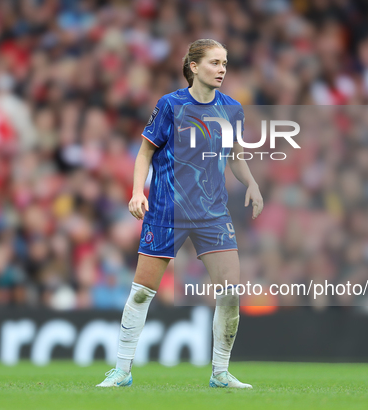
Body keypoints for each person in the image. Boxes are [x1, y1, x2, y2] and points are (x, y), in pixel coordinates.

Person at [97, 39, 263, 388]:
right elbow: (145, 153)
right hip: (165, 210)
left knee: (230, 292)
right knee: (142, 292)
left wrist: (251, 183)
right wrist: (136, 191)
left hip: (212, 213)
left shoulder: (231, 110)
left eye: (225, 63)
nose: (222, 70)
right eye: (215, 63)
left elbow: (235, 155)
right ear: (193, 66)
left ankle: (220, 373)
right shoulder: (170, 105)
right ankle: (122, 371)